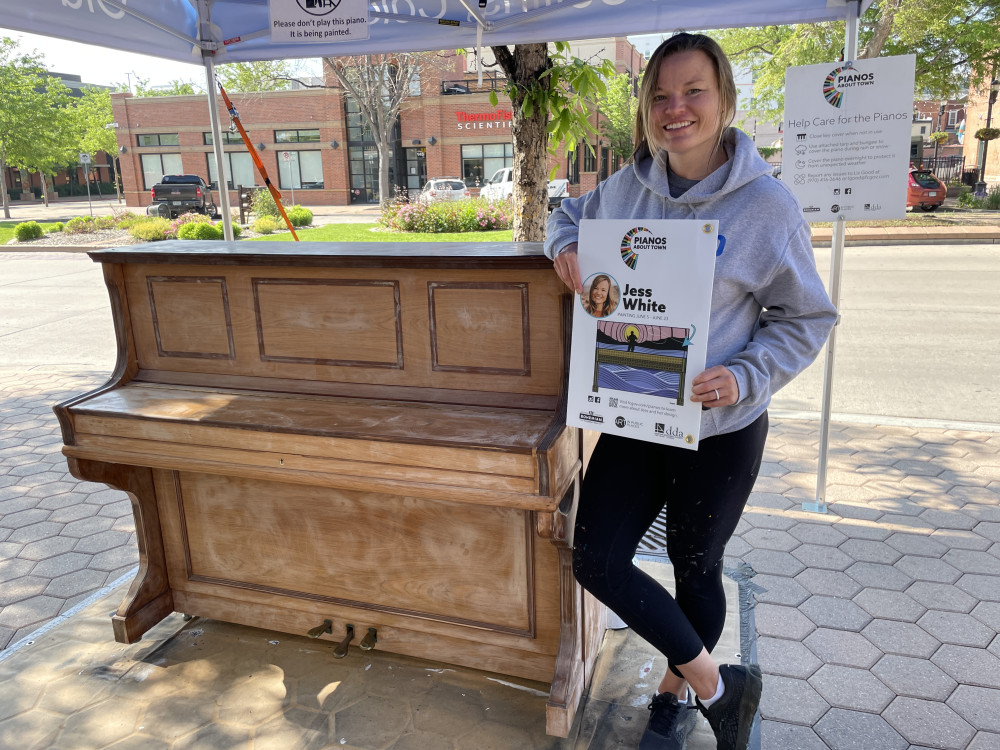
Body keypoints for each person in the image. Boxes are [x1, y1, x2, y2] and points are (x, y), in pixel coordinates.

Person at [544, 33, 837, 750]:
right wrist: (566, 248)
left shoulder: (766, 207)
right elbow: (562, 214)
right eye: (660, 96)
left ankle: (675, 696)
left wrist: (744, 375)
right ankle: (720, 687)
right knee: (598, 556)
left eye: (693, 92)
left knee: (694, 566)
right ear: (645, 110)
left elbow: (807, 317)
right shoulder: (621, 190)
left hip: (721, 428)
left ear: (726, 101)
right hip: (637, 411)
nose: (676, 110)